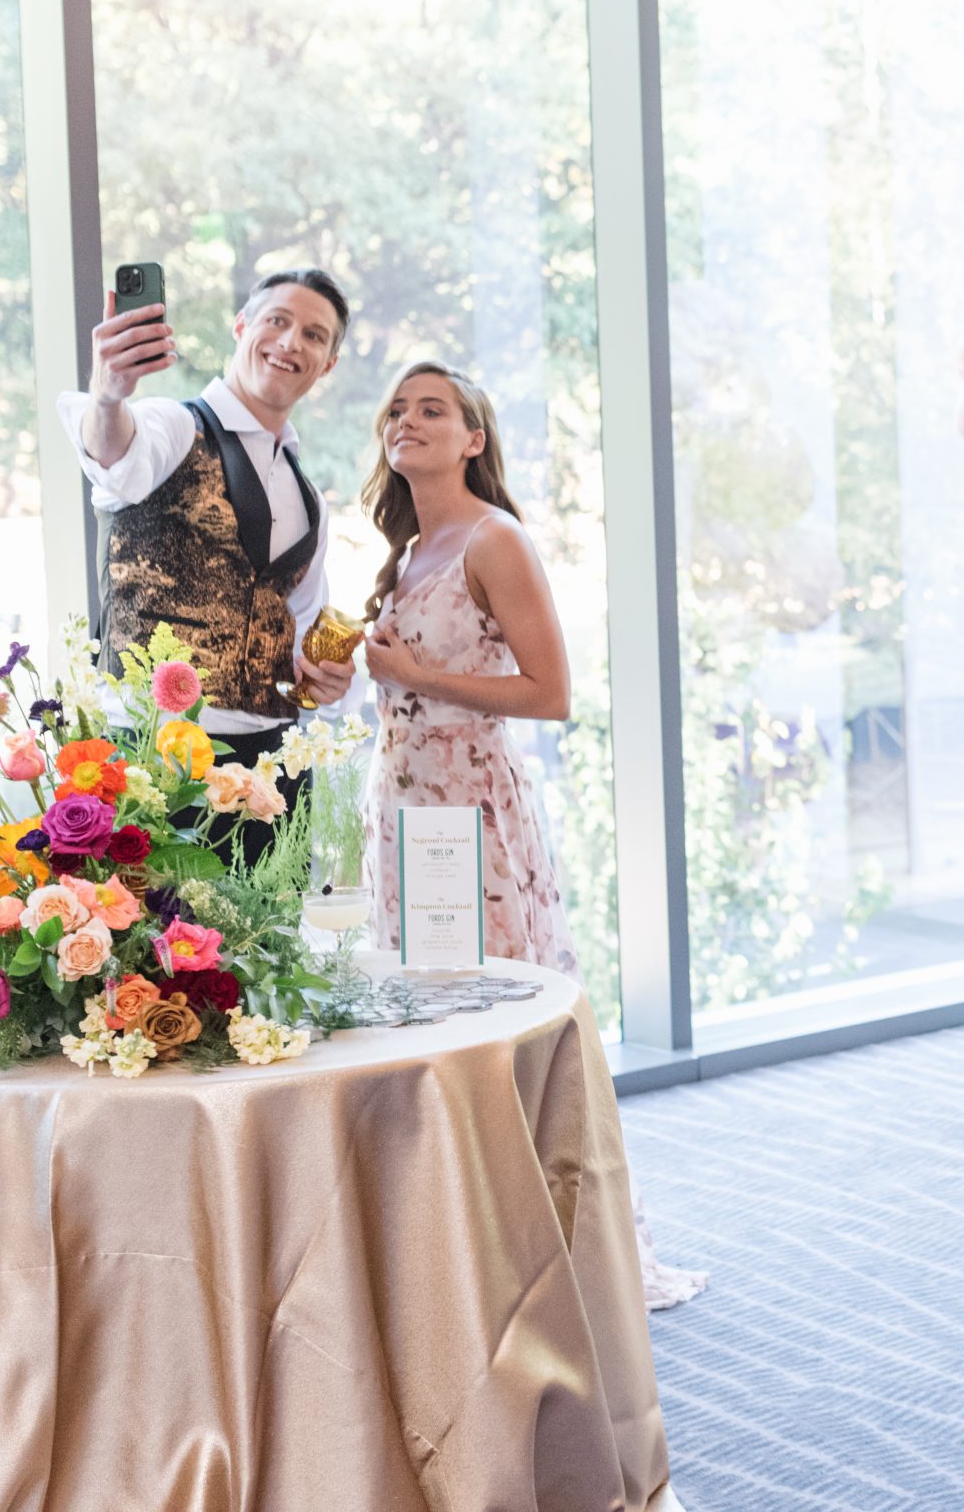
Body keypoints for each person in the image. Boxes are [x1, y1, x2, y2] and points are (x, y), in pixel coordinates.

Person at [358, 359, 706, 1312]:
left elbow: (550, 693)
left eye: (433, 409)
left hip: (472, 815)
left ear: (473, 439)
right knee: (432, 1021)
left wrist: (416, 677)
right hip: (404, 816)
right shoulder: (407, 553)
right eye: (397, 409)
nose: (407, 420)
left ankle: (548, 1251)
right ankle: (460, 1249)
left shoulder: (494, 538)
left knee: (505, 1020)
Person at [58, 269, 358, 855]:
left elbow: (301, 632)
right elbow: (114, 455)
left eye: (314, 335)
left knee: (275, 918)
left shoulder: (310, 498)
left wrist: (326, 679)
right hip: (154, 760)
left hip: (271, 772)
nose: (291, 341)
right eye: (277, 320)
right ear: (242, 326)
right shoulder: (174, 426)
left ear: (328, 365)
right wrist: (109, 394)